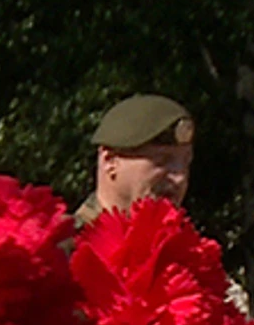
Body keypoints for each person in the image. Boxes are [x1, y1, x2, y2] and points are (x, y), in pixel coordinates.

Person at [74, 94, 194, 227]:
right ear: (111, 162)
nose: (180, 177)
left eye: (186, 162)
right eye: (161, 161)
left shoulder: (185, 246)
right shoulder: (64, 245)